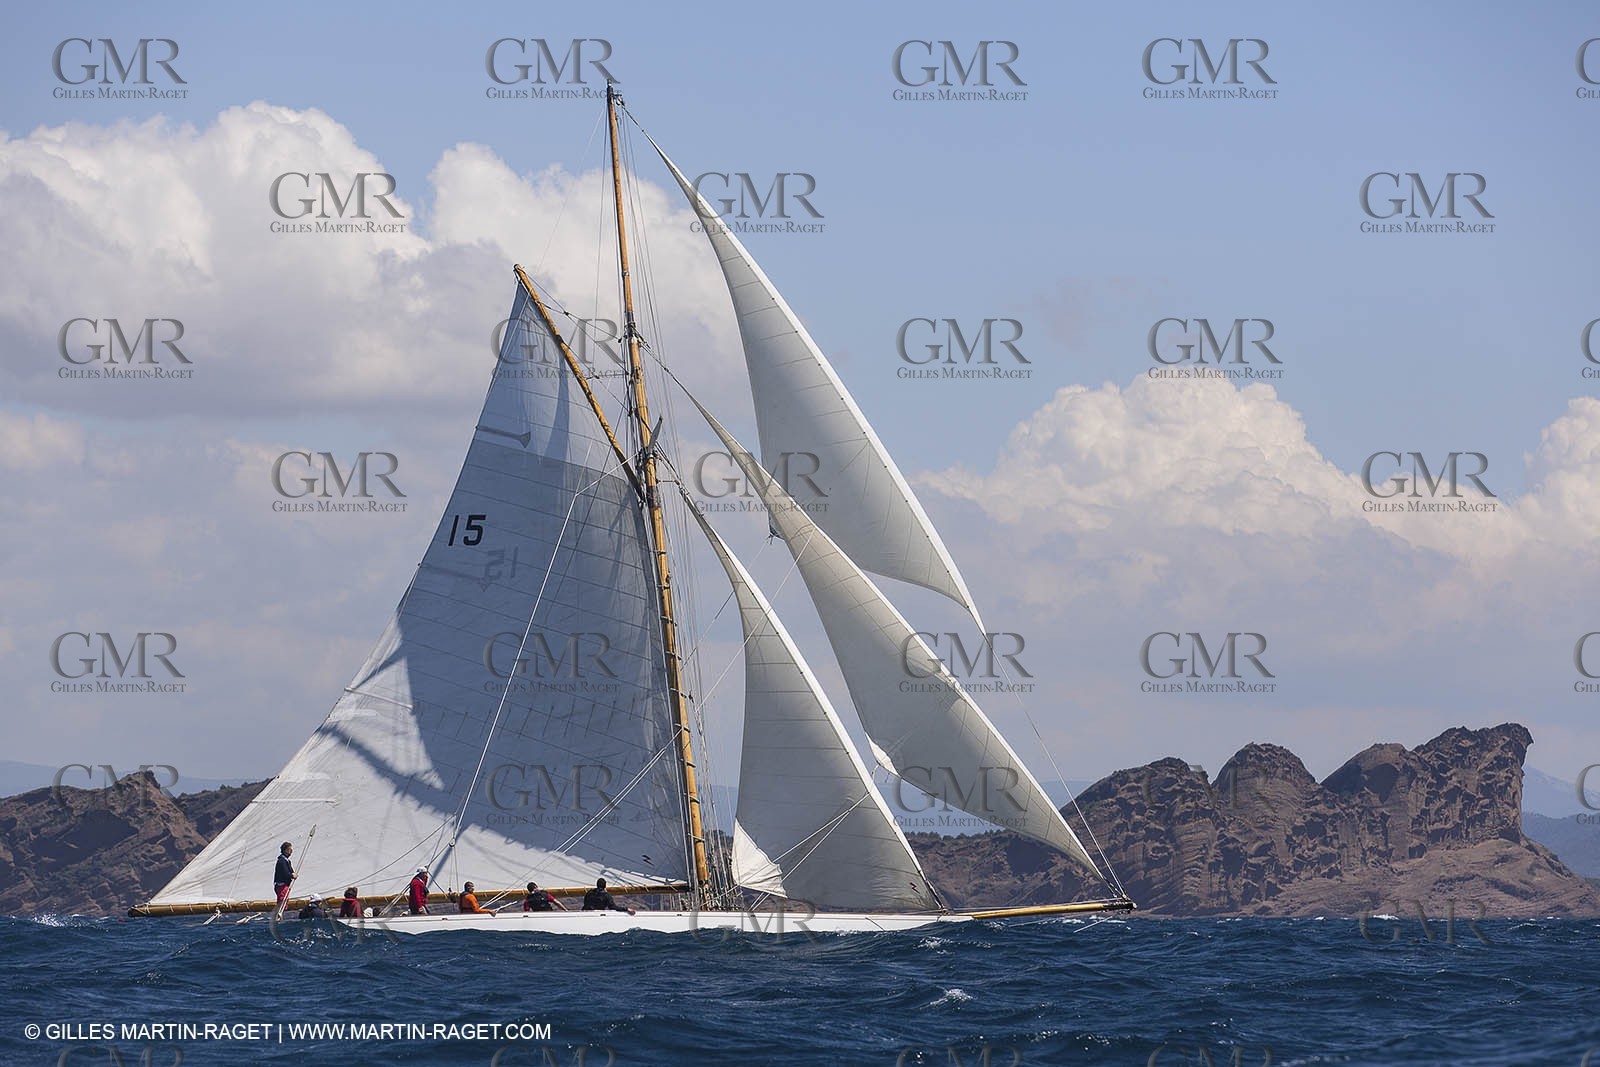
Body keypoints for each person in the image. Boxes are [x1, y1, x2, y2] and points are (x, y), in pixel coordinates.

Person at [273, 841, 296, 916]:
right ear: (285, 850)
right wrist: (292, 876)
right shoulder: (282, 861)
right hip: (281, 886)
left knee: (284, 901)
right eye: (290, 849)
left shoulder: (287, 861)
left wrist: (293, 874)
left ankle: (280, 915)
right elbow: (285, 873)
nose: (291, 851)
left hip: (285, 885)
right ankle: (278, 916)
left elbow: (290, 870)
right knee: (282, 901)